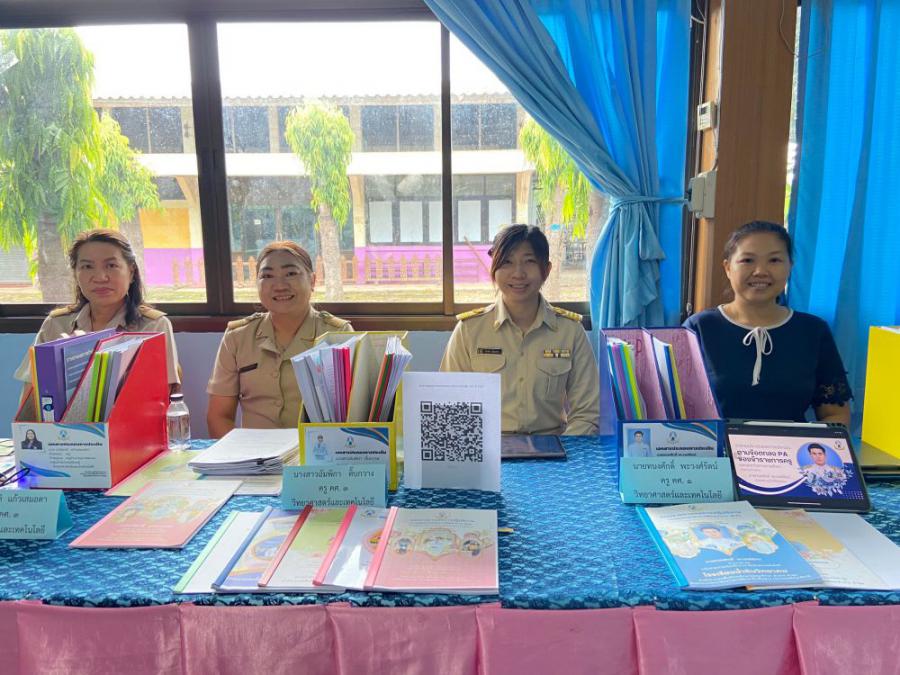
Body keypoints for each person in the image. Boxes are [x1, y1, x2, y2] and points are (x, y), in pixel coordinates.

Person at [683, 221, 851, 425]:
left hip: (791, 446)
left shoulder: (813, 331)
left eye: (774, 260)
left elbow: (835, 415)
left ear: (790, 266)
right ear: (728, 268)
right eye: (747, 260)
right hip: (717, 445)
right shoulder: (698, 328)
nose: (760, 271)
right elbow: (676, 411)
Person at [440, 224, 600, 436]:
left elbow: (587, 412)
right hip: (488, 447)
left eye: (529, 261)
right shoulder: (469, 331)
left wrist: (563, 450)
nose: (518, 274)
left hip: (552, 447)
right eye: (507, 262)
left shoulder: (570, 331)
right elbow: (450, 404)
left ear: (546, 270)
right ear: (494, 268)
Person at [206, 241, 352, 437]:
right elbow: (219, 416)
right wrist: (241, 454)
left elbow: (355, 415)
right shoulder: (237, 337)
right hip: (255, 452)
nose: (280, 286)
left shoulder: (338, 335)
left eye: (290, 273)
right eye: (267, 276)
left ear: (312, 280)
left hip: (317, 452)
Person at [14, 229, 181, 393]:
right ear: (75, 274)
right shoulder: (56, 325)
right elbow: (31, 395)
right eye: (87, 266)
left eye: (111, 265)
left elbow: (161, 397)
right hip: (60, 413)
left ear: (131, 272)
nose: (100, 277)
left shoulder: (153, 327)